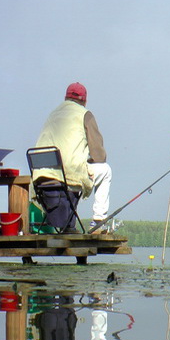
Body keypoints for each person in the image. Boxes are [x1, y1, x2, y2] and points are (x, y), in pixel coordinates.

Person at [34, 82, 112, 232]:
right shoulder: (85, 114)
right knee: (106, 170)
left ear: (65, 98)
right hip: (67, 175)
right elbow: (99, 156)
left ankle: (69, 225)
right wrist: (90, 160)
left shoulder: (53, 113)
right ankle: (98, 221)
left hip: (42, 175)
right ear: (84, 101)